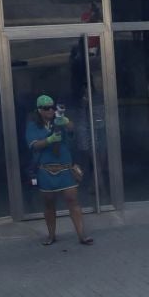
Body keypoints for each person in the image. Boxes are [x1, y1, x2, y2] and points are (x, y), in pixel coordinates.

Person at [25, 95, 92, 247]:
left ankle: (82, 235)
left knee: (73, 201)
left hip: (65, 168)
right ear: (39, 110)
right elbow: (33, 145)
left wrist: (67, 122)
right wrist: (49, 140)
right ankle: (51, 235)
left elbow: (73, 130)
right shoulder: (33, 125)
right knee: (49, 204)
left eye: (52, 107)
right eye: (46, 108)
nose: (50, 110)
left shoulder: (59, 119)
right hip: (45, 170)